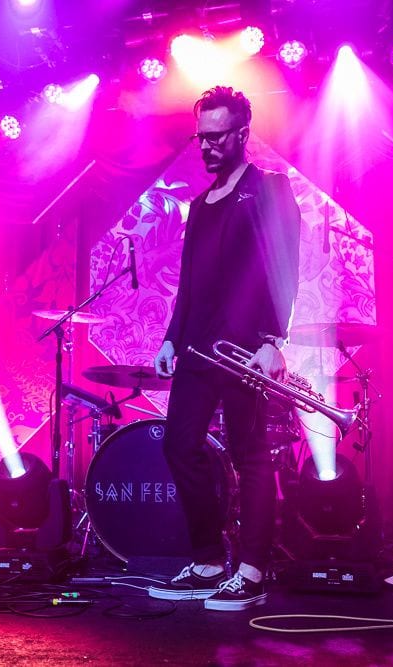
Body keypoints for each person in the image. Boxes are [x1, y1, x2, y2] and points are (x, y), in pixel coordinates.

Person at [150, 86, 301, 611]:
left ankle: (252, 572)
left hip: (245, 347)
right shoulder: (199, 205)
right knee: (178, 445)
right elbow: (189, 283)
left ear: (242, 134)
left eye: (217, 137)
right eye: (201, 137)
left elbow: (284, 266)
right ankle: (209, 561)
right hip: (196, 347)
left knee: (249, 454)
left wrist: (273, 340)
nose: (207, 146)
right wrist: (171, 337)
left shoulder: (269, 189)